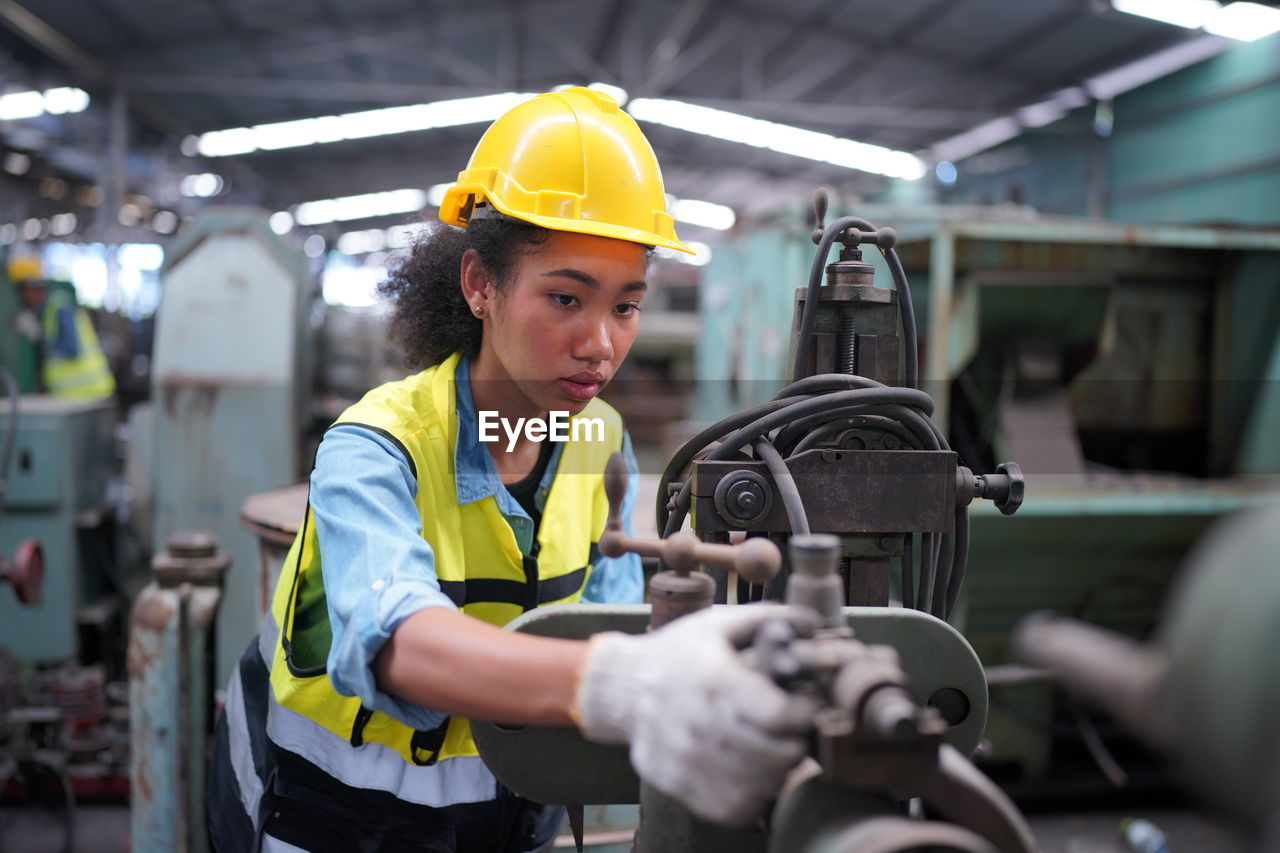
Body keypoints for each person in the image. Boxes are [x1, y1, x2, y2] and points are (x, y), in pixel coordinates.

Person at [208, 87, 814, 853]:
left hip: (508, 820)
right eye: (565, 297)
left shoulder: (602, 440)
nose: (600, 342)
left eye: (626, 306)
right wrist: (628, 683)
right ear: (479, 286)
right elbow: (398, 642)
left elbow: (613, 620)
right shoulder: (375, 445)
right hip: (324, 817)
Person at [7, 254, 115, 399]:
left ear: (32, 288)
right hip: (71, 395)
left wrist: (40, 338)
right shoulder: (46, 310)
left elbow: (71, 349)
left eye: (23, 290)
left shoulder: (59, 306)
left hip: (87, 392)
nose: (24, 297)